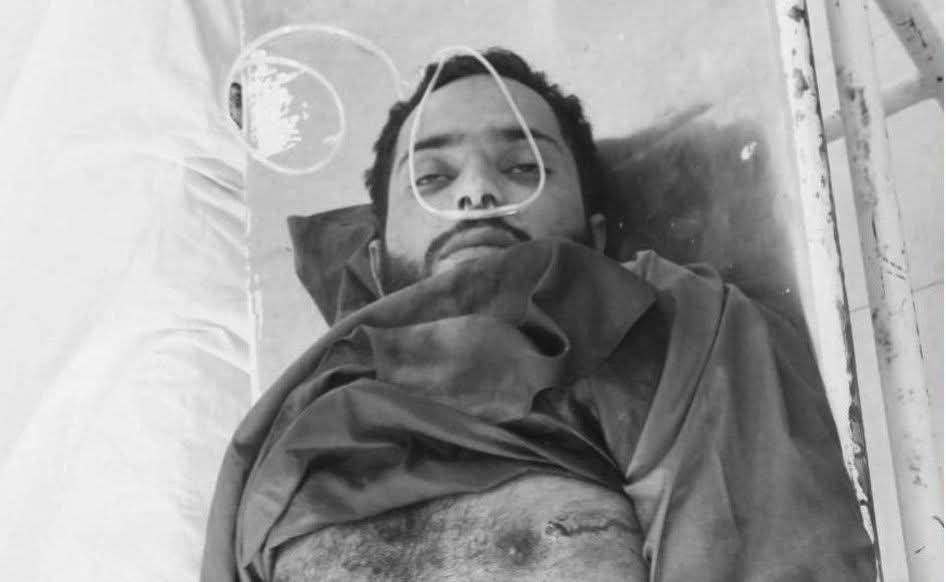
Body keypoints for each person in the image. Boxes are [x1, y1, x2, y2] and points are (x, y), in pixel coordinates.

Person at [202, 48, 876, 582]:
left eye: (523, 167)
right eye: (431, 178)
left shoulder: (678, 343)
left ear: (597, 237)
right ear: (375, 265)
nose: (477, 191)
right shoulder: (286, 435)